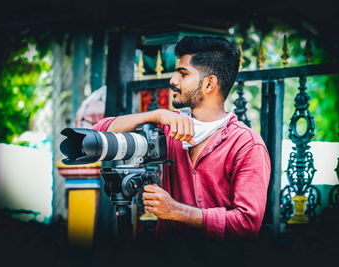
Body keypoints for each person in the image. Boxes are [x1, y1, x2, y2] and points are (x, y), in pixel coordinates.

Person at [92, 36, 270, 242]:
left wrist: (176, 210)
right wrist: (154, 115)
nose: (173, 81)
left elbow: (247, 225)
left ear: (210, 83)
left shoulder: (247, 145)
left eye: (183, 74)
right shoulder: (167, 127)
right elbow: (97, 135)